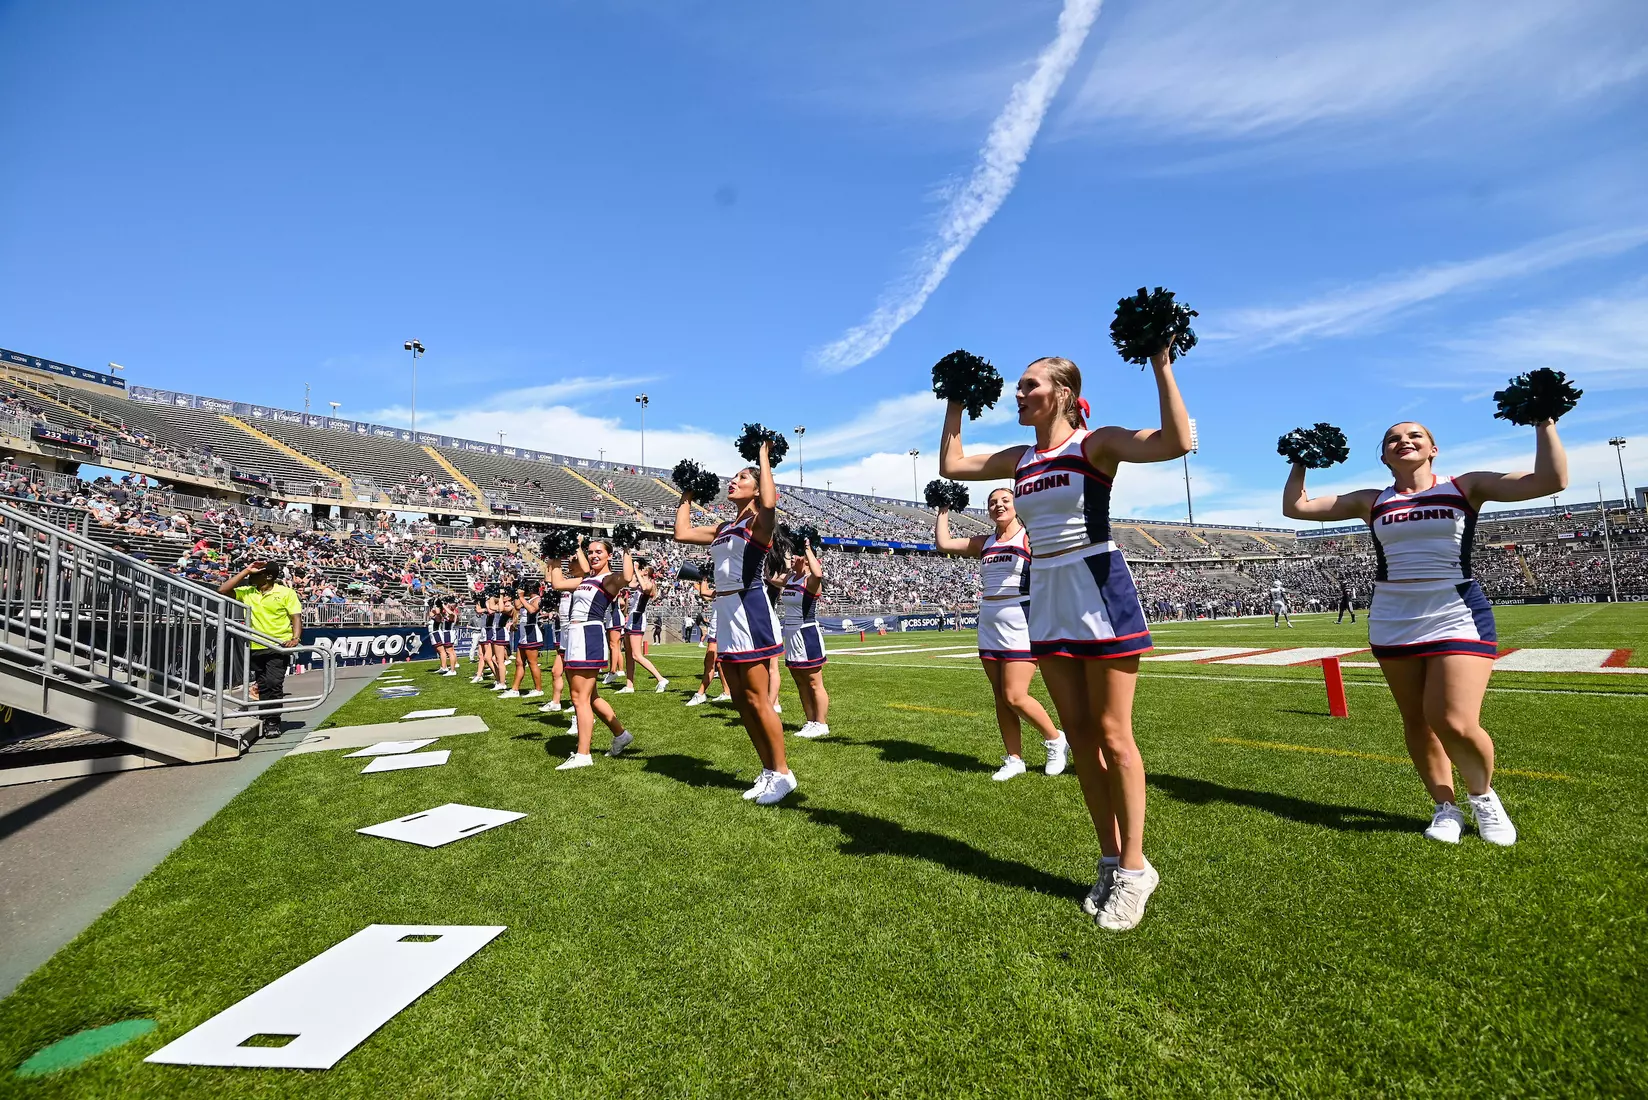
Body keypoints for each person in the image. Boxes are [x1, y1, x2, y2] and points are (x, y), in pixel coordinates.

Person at [939, 350, 1190, 931]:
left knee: (1114, 734)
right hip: (1047, 594)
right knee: (1079, 737)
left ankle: (1136, 868)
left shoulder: (1095, 444)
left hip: (1097, 586)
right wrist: (954, 398)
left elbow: (1175, 442)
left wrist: (1160, 362)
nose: (1018, 394)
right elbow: (952, 463)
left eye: (1029, 386)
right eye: (1018, 386)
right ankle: (1109, 858)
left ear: (1062, 393)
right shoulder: (1020, 458)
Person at [1281, 419, 1567, 846]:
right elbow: (1296, 508)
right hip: (1394, 617)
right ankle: (1445, 807)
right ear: (1384, 456)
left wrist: (1544, 422)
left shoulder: (1465, 486)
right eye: (1393, 439)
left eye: (1415, 436)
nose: (1404, 441)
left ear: (1434, 449)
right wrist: (1301, 461)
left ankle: (1483, 797)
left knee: (1453, 719)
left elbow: (1550, 481)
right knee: (1417, 720)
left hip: (1456, 611)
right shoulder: (1370, 500)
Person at [674, 441, 795, 803]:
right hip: (725, 611)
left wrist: (763, 458)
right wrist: (687, 494)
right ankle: (768, 770)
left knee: (758, 699)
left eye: (742, 478)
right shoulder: (724, 526)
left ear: (756, 488)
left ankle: (784, 773)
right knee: (741, 701)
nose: (732, 481)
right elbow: (681, 533)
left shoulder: (759, 523)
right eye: (734, 476)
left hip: (749, 608)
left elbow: (770, 503)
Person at [934, 488, 1067, 780]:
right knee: (1000, 697)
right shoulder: (985, 542)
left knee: (1015, 695)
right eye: (993, 502)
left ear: (1017, 505)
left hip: (1021, 618)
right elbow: (944, 543)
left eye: (1005, 500)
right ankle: (1014, 758)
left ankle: (1055, 738)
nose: (999, 505)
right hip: (989, 620)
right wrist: (943, 508)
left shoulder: (1029, 537)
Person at [547, 540, 635, 768]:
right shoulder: (585, 579)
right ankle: (621, 735)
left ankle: (583, 755)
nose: (594, 555)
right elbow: (557, 583)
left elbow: (627, 577)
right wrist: (555, 555)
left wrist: (627, 548)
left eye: (599, 552)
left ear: (609, 555)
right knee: (591, 697)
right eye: (590, 552)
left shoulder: (608, 580)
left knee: (579, 698)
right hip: (575, 635)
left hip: (588, 635)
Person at [219, 559, 302, 741]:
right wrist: (245, 570)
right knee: (263, 685)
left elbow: (295, 616)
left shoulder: (286, 593)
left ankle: (272, 721)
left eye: (256, 574)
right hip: (255, 645)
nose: (250, 576)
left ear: (268, 576)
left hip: (278, 645)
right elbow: (222, 591)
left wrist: (295, 638)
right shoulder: (248, 592)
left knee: (273, 683)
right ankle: (265, 718)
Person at [771, 530, 831, 739]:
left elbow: (818, 574)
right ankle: (810, 721)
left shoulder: (810, 581)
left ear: (805, 558)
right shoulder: (790, 578)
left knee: (814, 682)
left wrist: (807, 547)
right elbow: (770, 577)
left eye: (796, 554)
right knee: (800, 682)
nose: (792, 557)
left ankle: (821, 723)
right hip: (791, 634)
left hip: (807, 634)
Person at [615, 559, 669, 693]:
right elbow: (631, 583)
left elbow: (645, 588)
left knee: (636, 655)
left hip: (638, 619)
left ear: (647, 573)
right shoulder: (640, 583)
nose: (641, 571)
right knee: (628, 654)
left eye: (644, 570)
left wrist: (636, 569)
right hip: (632, 619)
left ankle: (661, 679)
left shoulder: (649, 584)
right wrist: (635, 571)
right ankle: (629, 686)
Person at [685, 574, 726, 706]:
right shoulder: (722, 590)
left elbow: (704, 592)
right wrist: (702, 585)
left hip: (719, 629)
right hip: (718, 628)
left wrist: (703, 578)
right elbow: (705, 595)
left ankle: (700, 694)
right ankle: (727, 692)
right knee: (719, 663)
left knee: (709, 662)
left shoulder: (724, 589)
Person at [502, 580, 546, 698]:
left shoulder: (537, 599)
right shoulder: (528, 600)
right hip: (523, 634)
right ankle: (515, 689)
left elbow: (532, 610)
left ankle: (538, 689)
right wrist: (517, 594)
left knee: (532, 663)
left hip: (531, 633)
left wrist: (521, 597)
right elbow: (517, 606)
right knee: (519, 663)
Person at [540, 565, 572, 714]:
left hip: (573, 633)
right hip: (564, 634)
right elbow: (549, 579)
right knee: (556, 671)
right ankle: (556, 702)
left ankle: (578, 702)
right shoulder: (562, 590)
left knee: (573, 674)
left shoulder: (574, 586)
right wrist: (551, 561)